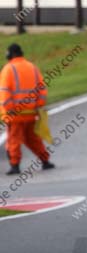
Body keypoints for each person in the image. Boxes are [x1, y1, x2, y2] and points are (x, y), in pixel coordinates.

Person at [0, 43, 54, 175]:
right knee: (32, 138)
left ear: (10, 54)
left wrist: (8, 109)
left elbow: (5, 92)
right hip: (31, 113)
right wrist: (38, 105)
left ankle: (15, 165)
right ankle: (45, 161)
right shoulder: (33, 67)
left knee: (14, 139)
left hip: (15, 114)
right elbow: (41, 89)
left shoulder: (8, 69)